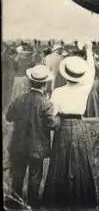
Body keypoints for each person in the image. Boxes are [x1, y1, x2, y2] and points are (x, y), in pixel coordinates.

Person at [42, 41, 99, 208]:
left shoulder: (58, 92)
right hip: (79, 126)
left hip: (63, 127)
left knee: (60, 162)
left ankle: (59, 199)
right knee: (80, 161)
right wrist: (89, 51)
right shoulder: (84, 88)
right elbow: (92, 70)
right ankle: (80, 198)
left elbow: (51, 114)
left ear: (65, 74)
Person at [5, 65, 59, 207]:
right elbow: (53, 124)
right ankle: (33, 206)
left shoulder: (19, 99)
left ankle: (14, 204)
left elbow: (9, 117)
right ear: (45, 83)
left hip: (19, 144)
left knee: (17, 176)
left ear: (30, 82)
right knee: (35, 178)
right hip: (38, 147)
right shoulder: (46, 104)